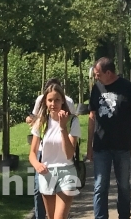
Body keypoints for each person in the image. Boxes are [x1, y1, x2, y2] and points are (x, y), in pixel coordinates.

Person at [87, 57, 131, 219]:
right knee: (100, 186)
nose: (96, 77)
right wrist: (89, 146)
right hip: (101, 146)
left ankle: (124, 216)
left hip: (122, 146)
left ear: (108, 72)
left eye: (98, 74)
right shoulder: (96, 88)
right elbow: (92, 117)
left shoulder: (127, 87)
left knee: (124, 186)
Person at [29, 82, 82, 219]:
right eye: (50, 100)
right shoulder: (41, 122)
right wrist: (37, 165)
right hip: (47, 173)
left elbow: (69, 153)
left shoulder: (72, 121)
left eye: (57, 100)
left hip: (67, 172)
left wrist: (63, 127)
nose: (53, 104)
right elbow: (32, 154)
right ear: (45, 102)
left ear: (63, 100)